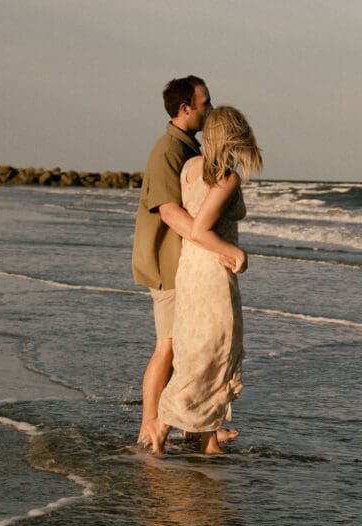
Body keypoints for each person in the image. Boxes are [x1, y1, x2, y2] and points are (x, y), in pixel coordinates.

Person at [155, 106, 262, 454]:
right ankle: (160, 426)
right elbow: (201, 227)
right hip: (213, 271)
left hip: (190, 267)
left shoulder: (190, 168)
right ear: (231, 136)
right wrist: (234, 252)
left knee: (198, 351)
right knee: (214, 351)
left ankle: (208, 440)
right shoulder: (226, 176)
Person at [131, 75, 212, 451]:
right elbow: (168, 211)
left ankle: (191, 427)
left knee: (185, 348)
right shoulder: (168, 150)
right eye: (205, 103)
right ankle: (150, 424)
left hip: (182, 262)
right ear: (185, 109)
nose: (209, 110)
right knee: (167, 346)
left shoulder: (186, 147)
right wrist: (212, 242)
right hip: (167, 263)